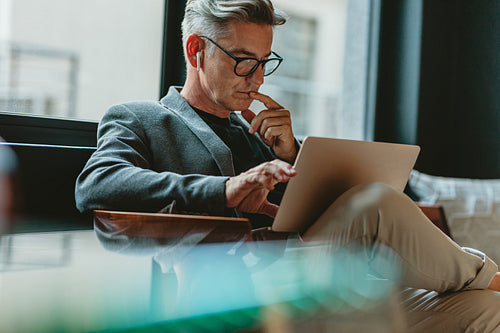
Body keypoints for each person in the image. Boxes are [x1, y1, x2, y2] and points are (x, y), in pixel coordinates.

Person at [75, 0, 500, 331]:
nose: (257, 79)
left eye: (264, 62)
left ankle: (485, 284)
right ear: (196, 49)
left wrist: (294, 155)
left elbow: (321, 223)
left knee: (486, 310)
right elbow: (97, 183)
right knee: (376, 203)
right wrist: (225, 191)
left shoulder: (262, 138)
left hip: (327, 288)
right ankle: (488, 273)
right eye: (243, 60)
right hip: (241, 295)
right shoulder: (141, 118)